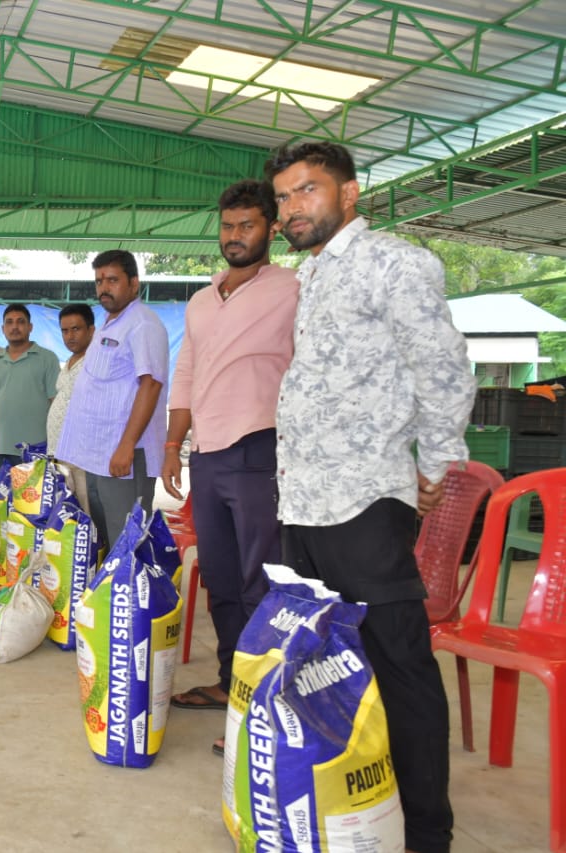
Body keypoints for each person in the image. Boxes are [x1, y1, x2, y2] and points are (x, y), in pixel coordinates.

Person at [266, 140, 474, 853]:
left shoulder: (396, 262)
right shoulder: (313, 276)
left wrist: (442, 455)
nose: (293, 207)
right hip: (306, 504)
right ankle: (353, 812)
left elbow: (442, 364)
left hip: (364, 503)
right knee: (326, 665)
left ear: (349, 193)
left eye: (307, 190)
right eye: (285, 198)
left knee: (400, 667)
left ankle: (427, 832)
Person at [159, 180, 299, 721]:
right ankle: (231, 680)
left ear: (272, 228)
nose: (236, 236)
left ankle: (269, 691)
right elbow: (187, 372)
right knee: (219, 576)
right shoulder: (201, 298)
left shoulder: (291, 289)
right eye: (228, 226)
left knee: (260, 575)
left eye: (248, 225)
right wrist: (174, 444)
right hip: (209, 453)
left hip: (261, 445)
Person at [55, 250, 169, 552]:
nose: (104, 287)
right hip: (99, 452)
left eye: (113, 280)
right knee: (109, 532)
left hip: (126, 454)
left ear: (134, 282)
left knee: (127, 537)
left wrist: (126, 446)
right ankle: (112, 593)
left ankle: (129, 597)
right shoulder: (110, 323)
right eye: (99, 281)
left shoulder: (143, 324)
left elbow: (151, 384)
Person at [0, 303, 60, 472]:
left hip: (37, 449)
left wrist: (55, 446)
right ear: (2, 328)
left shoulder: (47, 359)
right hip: (1, 449)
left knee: (34, 499)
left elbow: (56, 404)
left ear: (30, 327)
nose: (14, 327)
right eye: (9, 322)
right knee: (4, 499)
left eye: (20, 322)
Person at [46, 303, 95, 511]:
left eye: (76, 329)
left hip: (83, 457)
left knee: (88, 515)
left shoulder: (96, 361)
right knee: (68, 517)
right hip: (61, 454)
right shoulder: (69, 361)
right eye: (65, 331)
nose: (70, 336)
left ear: (91, 330)